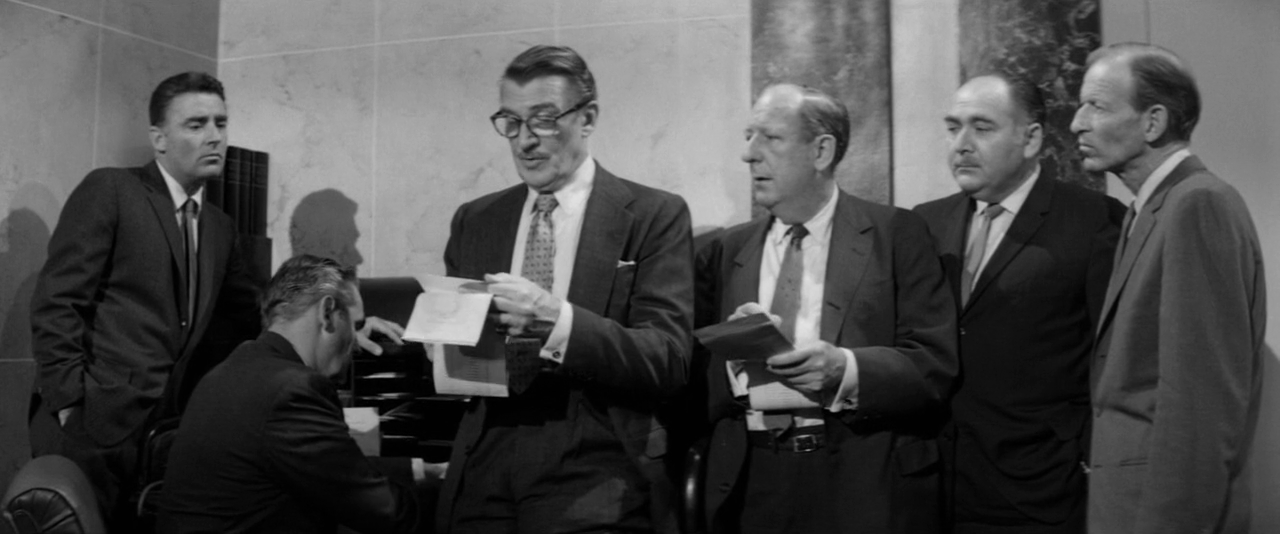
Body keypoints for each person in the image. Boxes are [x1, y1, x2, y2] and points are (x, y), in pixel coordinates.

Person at [435, 45, 694, 533]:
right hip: (485, 454)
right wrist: (405, 336)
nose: (524, 141)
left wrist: (557, 322)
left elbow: (668, 357)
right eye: (511, 122)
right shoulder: (476, 220)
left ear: (587, 118)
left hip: (597, 458)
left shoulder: (654, 215)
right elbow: (457, 350)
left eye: (544, 120)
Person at [693, 83, 957, 533]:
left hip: (859, 482)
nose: (749, 154)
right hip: (753, 484)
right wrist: (733, 363)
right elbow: (692, 377)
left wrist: (845, 370)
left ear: (821, 151)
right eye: (749, 136)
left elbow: (934, 367)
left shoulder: (896, 234)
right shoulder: (726, 249)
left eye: (770, 138)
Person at [27, 71, 263, 524]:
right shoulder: (112, 190)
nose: (215, 136)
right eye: (196, 124)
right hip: (91, 427)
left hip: (165, 436)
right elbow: (57, 301)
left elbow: (252, 313)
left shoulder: (219, 226)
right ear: (158, 138)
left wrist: (343, 323)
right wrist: (71, 406)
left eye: (221, 123)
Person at [913, 73, 1124, 534]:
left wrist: (1088, 458)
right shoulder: (924, 223)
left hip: (1041, 489)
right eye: (953, 128)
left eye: (981, 128)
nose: (961, 145)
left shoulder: (1094, 221)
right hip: (935, 488)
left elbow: (1114, 358)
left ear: (1030, 139)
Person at [1072, 43, 1266, 534]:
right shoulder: (1150, 210)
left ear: (1153, 122)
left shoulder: (1198, 204)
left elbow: (1200, 405)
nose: (1076, 123)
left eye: (1096, 106)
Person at [157, 254, 437, 533]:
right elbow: (383, 510)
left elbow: (333, 470)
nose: (355, 341)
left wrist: (420, 469)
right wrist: (453, 498)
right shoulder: (293, 390)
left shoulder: (231, 370)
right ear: (327, 312)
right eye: (354, 325)